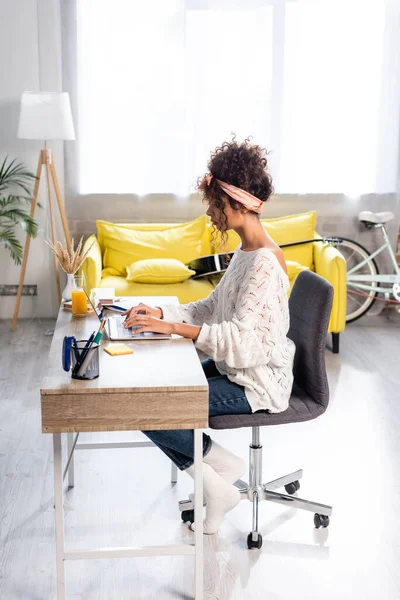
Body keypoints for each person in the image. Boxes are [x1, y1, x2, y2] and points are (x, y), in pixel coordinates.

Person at [122, 138, 296, 534]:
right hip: (235, 369)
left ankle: (216, 478)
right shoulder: (246, 252)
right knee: (146, 394)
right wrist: (161, 313)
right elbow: (211, 307)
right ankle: (217, 478)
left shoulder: (265, 264)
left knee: (145, 408)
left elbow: (244, 342)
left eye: (215, 203)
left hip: (257, 384)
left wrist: (172, 328)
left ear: (238, 203)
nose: (211, 213)